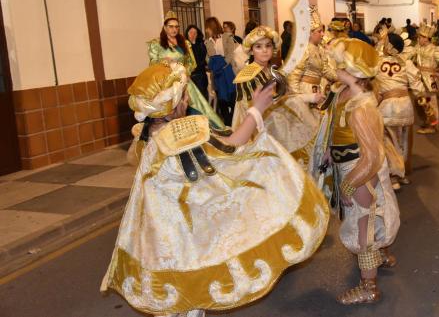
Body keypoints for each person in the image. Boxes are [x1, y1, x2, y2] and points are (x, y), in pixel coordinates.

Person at [102, 62, 329, 317]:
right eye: (185, 94)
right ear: (173, 103)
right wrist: (257, 110)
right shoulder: (178, 135)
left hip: (161, 238)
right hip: (186, 237)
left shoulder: (146, 135)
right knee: (191, 301)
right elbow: (231, 146)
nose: (188, 99)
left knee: (177, 302)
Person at [313, 38, 400, 305]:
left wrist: (349, 184)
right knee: (369, 217)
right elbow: (337, 130)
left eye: (339, 64)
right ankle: (381, 255)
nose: (334, 67)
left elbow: (372, 156)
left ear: (352, 71)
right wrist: (330, 150)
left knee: (364, 225)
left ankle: (368, 286)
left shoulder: (362, 107)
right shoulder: (344, 94)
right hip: (347, 166)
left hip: (360, 170)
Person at [232, 25, 322, 167]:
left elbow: (282, 97)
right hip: (260, 128)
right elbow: (251, 108)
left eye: (268, 46)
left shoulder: (270, 70)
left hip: (275, 121)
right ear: (251, 50)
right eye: (259, 47)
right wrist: (305, 98)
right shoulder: (248, 74)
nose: (264, 50)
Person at [147, 11, 223, 129]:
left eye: (177, 27)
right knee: (169, 112)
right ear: (165, 27)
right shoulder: (156, 44)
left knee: (196, 107)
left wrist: (184, 73)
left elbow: (191, 63)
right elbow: (152, 64)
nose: (174, 29)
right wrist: (165, 62)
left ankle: (200, 132)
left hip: (184, 81)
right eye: (171, 26)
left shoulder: (185, 43)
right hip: (166, 83)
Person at [376, 33, 425, 187]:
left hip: (388, 108)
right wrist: (421, 97)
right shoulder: (407, 63)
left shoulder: (376, 63)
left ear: (388, 46)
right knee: (403, 140)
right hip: (405, 106)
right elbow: (417, 84)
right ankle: (402, 174)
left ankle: (394, 176)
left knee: (389, 142)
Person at [400, 25, 439, 134]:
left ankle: (433, 126)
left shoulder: (435, 49)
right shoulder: (418, 47)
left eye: (421, 37)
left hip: (430, 79)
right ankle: (427, 121)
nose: (419, 39)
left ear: (427, 38)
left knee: (431, 102)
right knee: (420, 101)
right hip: (418, 78)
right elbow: (409, 54)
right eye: (419, 37)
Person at [287, 7, 337, 97]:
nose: (323, 34)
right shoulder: (302, 50)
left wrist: (340, 78)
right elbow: (293, 77)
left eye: (323, 31)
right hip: (305, 91)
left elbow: (325, 69)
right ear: (309, 33)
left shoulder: (320, 49)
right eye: (319, 31)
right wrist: (298, 98)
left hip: (317, 89)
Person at [205, 17, 237, 126]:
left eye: (207, 27)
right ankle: (227, 123)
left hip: (228, 71)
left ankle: (234, 121)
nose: (206, 30)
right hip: (217, 74)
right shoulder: (207, 41)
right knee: (222, 100)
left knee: (232, 99)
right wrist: (213, 64)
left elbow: (230, 54)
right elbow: (208, 57)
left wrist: (222, 64)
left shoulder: (227, 37)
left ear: (212, 27)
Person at [185, 24, 209, 101]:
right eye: (191, 32)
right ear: (187, 34)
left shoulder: (201, 44)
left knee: (202, 97)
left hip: (200, 75)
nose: (193, 35)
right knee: (191, 99)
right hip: (189, 76)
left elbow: (204, 59)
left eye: (195, 33)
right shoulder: (184, 45)